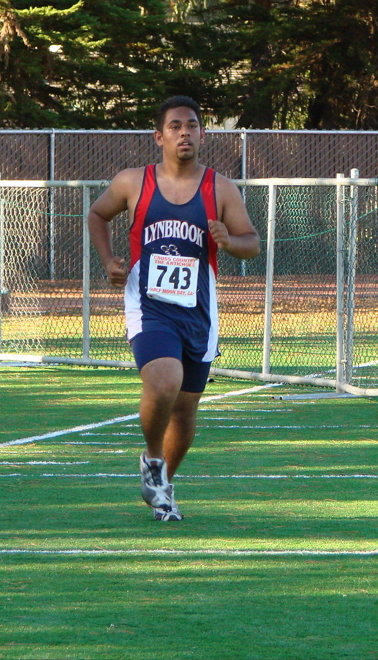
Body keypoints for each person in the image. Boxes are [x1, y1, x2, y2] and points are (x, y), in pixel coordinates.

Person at [87, 96, 260, 521]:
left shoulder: (220, 189)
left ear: (203, 134)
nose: (185, 133)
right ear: (159, 136)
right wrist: (109, 262)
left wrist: (229, 241)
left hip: (198, 309)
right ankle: (151, 458)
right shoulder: (133, 182)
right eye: (176, 126)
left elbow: (251, 243)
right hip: (149, 305)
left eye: (193, 126)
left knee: (184, 411)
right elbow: (97, 214)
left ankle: (163, 487)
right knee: (165, 381)